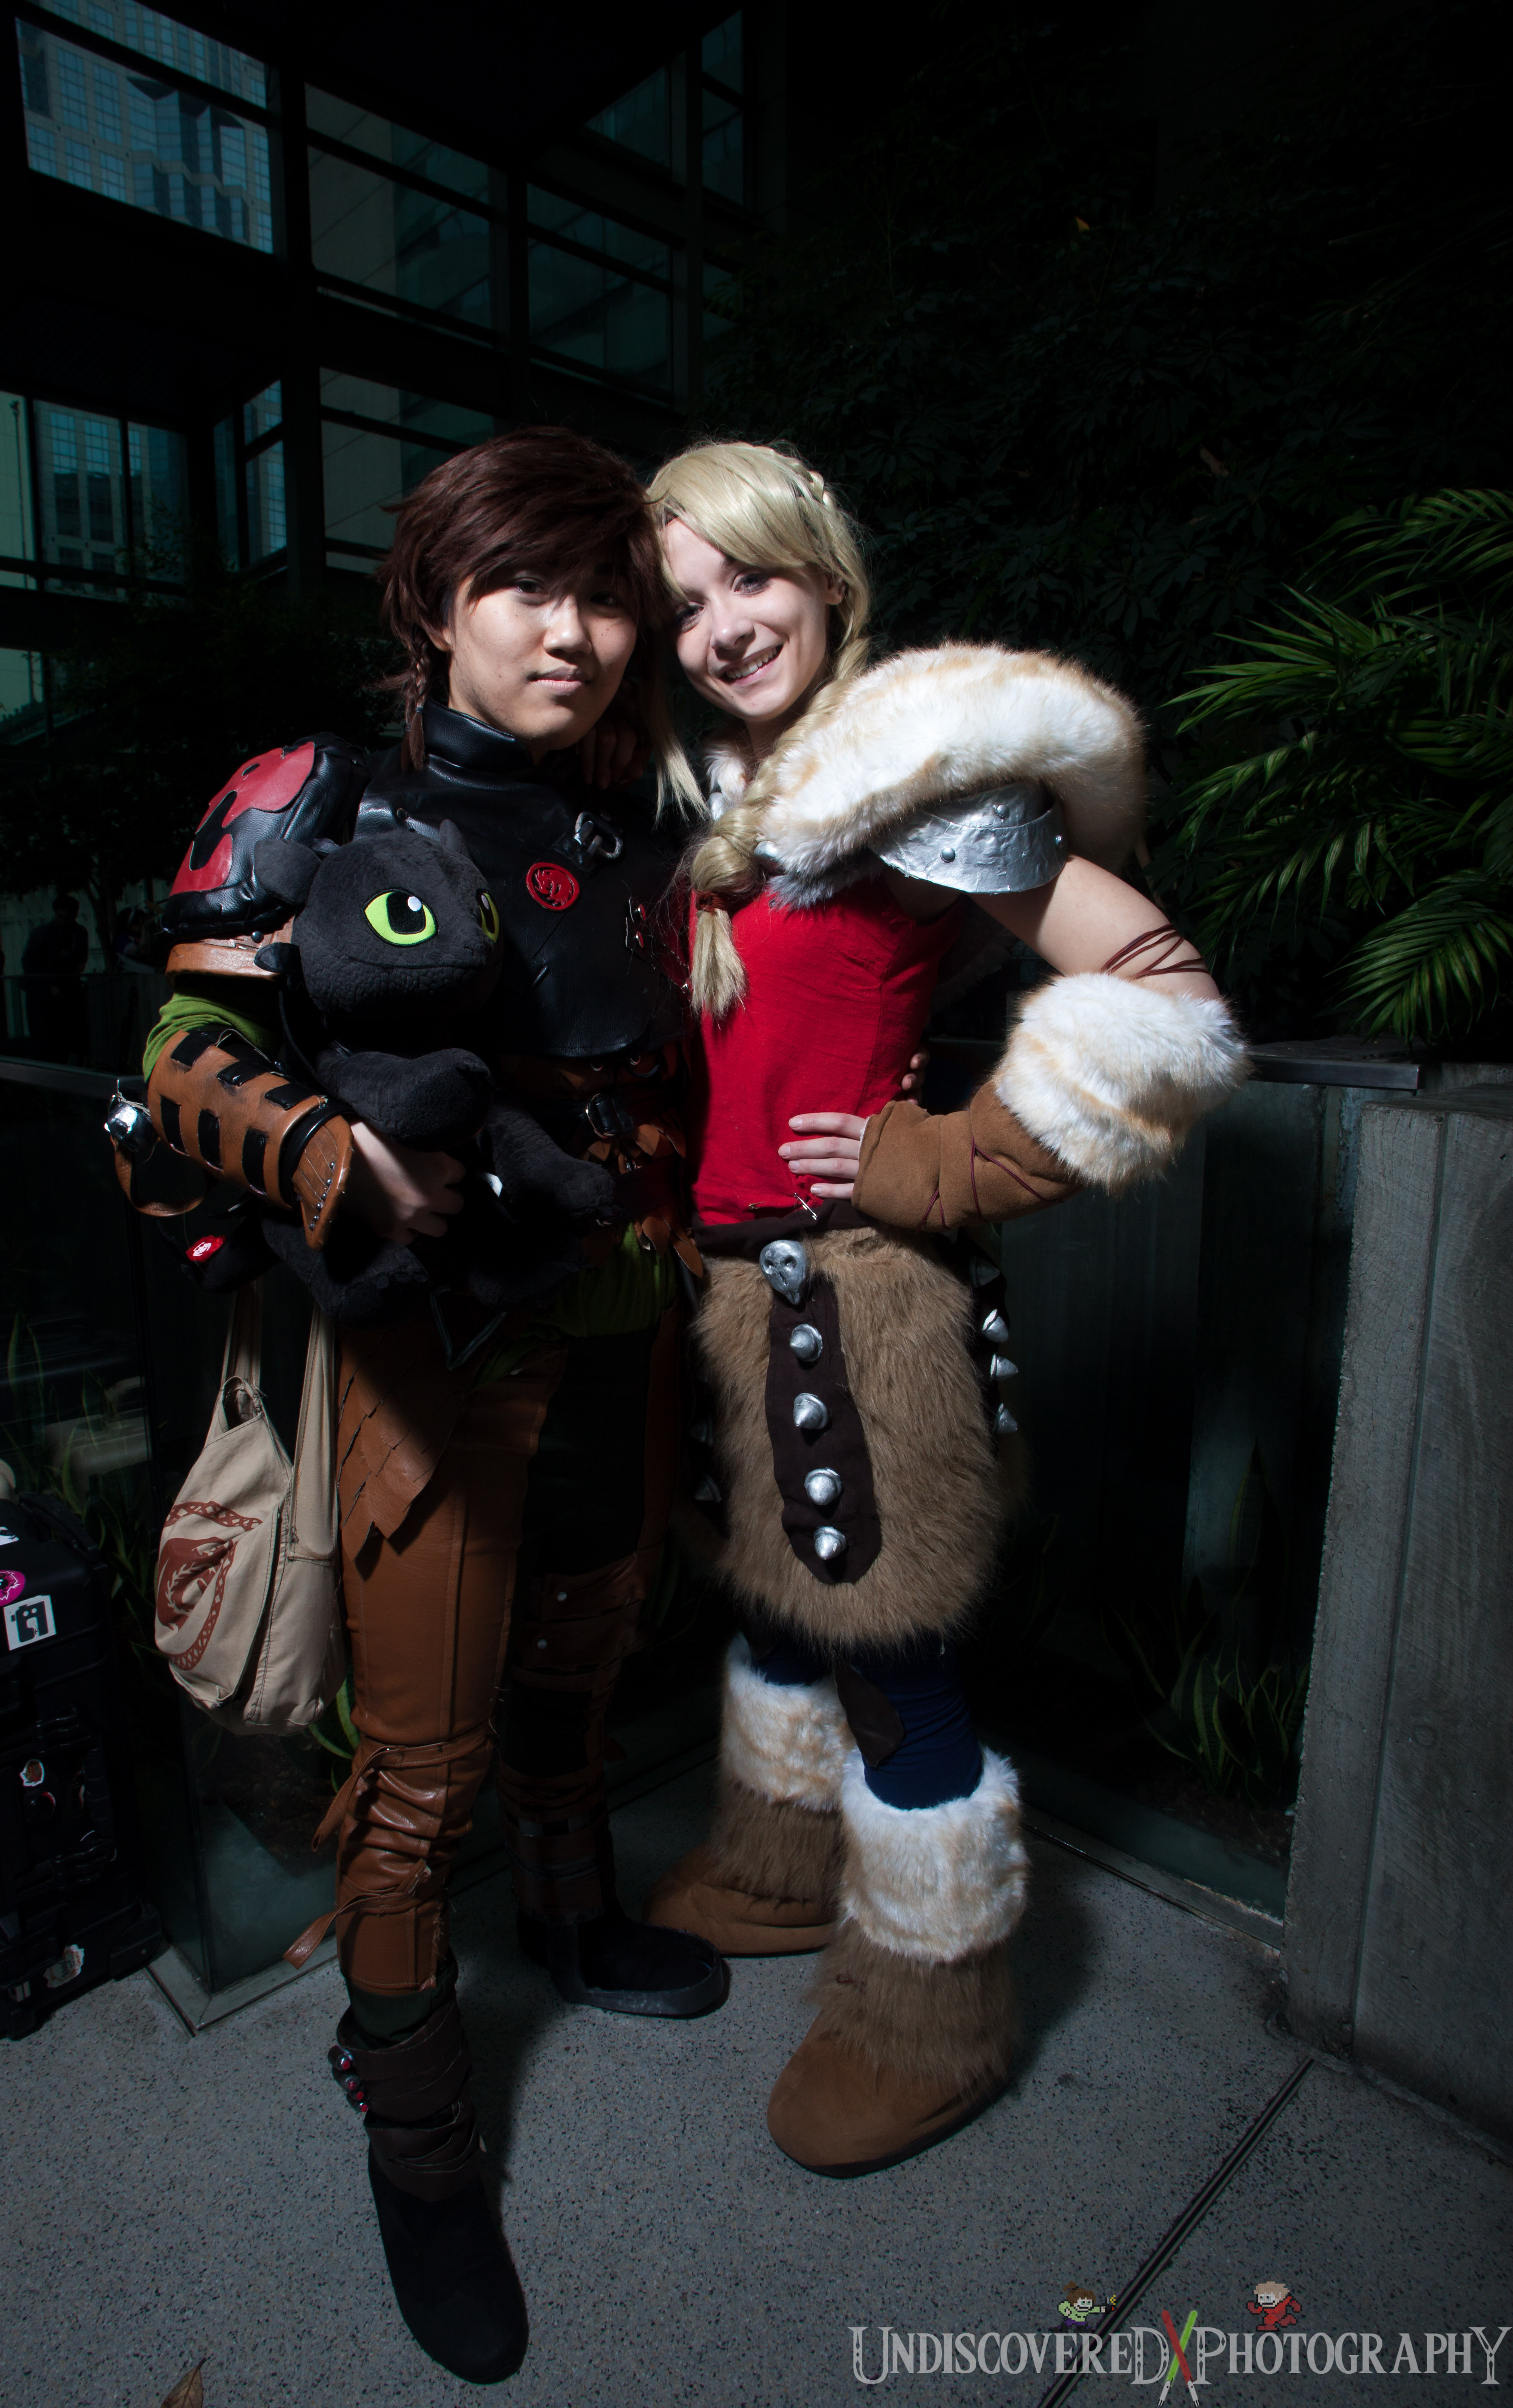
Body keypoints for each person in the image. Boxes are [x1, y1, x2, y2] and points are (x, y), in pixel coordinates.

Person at [134, 429, 722, 2385]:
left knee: (585, 1660)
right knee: (417, 1778)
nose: (573, 630)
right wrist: (328, 1156)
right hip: (437, 1352)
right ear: (436, 605)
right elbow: (174, 1065)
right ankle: (416, 2131)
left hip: (629, 1315)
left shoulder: (646, 829)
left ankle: (572, 1920)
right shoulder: (316, 797)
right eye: (525, 588)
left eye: (605, 594)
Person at [638, 441, 1250, 2178]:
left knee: (890, 1658)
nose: (720, 624)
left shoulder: (911, 771)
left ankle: (936, 2014)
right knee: (775, 1607)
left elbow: (1165, 998)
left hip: (855, 1299)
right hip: (725, 1288)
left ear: (825, 573)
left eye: (750, 575)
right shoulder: (711, 786)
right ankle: (778, 1873)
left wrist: (950, 1155)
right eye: (683, 600)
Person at [23, 891, 89, 1061]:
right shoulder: (41, 934)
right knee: (46, 1042)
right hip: (43, 997)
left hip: (68, 992)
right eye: (60, 917)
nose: (63, 922)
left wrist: (80, 965)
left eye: (68, 918)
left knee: (66, 1040)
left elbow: (81, 956)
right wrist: (48, 986)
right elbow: (29, 964)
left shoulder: (79, 933)